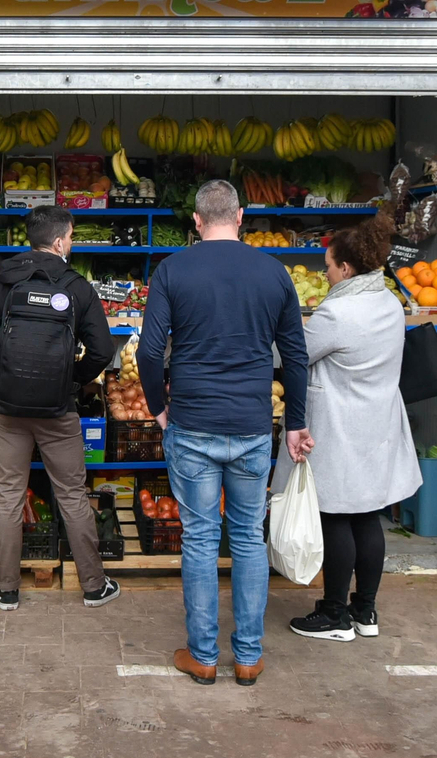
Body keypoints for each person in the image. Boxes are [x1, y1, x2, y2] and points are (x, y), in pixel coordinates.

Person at [137, 180, 310, 687]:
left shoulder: (172, 269)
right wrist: (296, 421)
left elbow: (149, 353)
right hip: (254, 427)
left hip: (191, 424)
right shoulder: (273, 272)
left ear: (196, 220)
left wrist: (160, 410)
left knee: (199, 539)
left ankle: (205, 656)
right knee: (248, 540)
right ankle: (249, 658)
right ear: (240, 217)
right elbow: (295, 357)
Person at [0, 205, 119, 611]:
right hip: (57, 410)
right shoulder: (78, 287)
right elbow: (103, 350)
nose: (71, 244)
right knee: (71, 493)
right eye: (70, 237)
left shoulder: (1, 283)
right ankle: (93, 586)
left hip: (7, 411)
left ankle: (7, 589)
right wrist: (71, 381)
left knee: (9, 494)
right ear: (58, 241)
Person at [287, 215, 421, 643]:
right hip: (377, 424)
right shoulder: (388, 303)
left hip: (340, 425)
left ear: (345, 268)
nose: (324, 274)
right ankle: (365, 611)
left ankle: (333, 614)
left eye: (327, 266)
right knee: (367, 517)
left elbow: (297, 355)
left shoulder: (339, 312)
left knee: (333, 516)